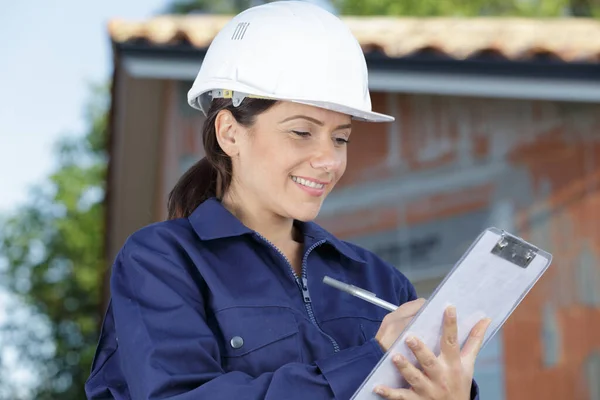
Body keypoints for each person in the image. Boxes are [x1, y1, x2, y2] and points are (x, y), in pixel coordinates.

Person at [85, 1, 491, 399]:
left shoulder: (378, 279)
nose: (329, 161)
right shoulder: (162, 262)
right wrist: (372, 359)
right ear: (229, 133)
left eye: (341, 138)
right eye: (301, 132)